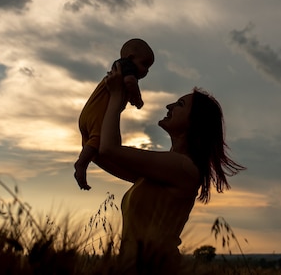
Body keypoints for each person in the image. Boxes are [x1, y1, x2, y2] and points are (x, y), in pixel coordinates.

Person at [96, 62, 246, 274]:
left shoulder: (182, 168)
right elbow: (99, 152)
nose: (169, 106)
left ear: (195, 123)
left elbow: (108, 150)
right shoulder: (164, 169)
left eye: (180, 105)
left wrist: (116, 97)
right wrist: (115, 97)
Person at [74, 38, 155, 191]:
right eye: (144, 64)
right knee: (98, 138)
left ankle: (85, 159)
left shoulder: (119, 70)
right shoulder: (125, 65)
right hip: (97, 114)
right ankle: (81, 163)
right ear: (131, 58)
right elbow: (131, 82)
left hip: (89, 114)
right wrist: (137, 99)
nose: (146, 71)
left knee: (94, 145)